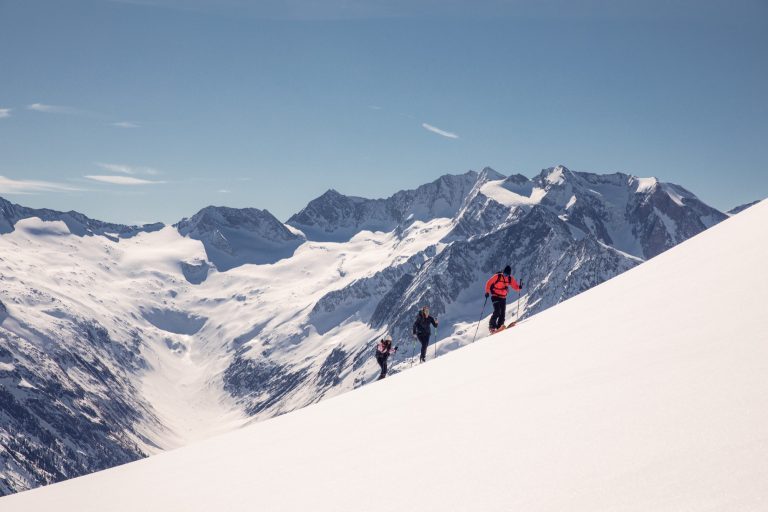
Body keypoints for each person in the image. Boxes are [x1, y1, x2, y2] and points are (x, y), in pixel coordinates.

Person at [484, 265, 522, 333]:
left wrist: (519, 287)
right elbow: (489, 283)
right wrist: (487, 292)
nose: (505, 276)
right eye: (504, 274)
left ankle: (499, 326)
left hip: (503, 297)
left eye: (507, 275)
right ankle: (492, 326)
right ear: (503, 272)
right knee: (497, 311)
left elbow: (515, 286)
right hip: (495, 296)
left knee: (502, 314)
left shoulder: (510, 279)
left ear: (509, 275)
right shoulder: (497, 276)